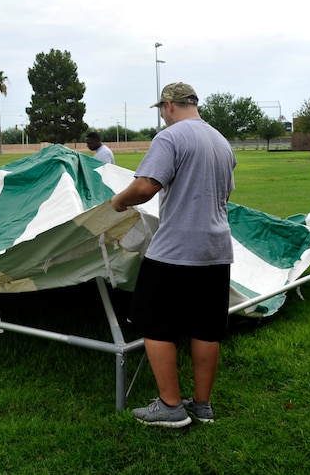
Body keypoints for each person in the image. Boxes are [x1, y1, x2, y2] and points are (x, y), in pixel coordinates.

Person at [110, 82, 236, 427]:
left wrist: (118, 201)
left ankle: (169, 407)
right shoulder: (221, 143)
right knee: (206, 329)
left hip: (176, 251)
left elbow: (147, 186)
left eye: (162, 111)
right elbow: (223, 194)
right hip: (216, 250)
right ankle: (202, 406)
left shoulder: (171, 137)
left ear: (168, 106)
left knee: (155, 325)